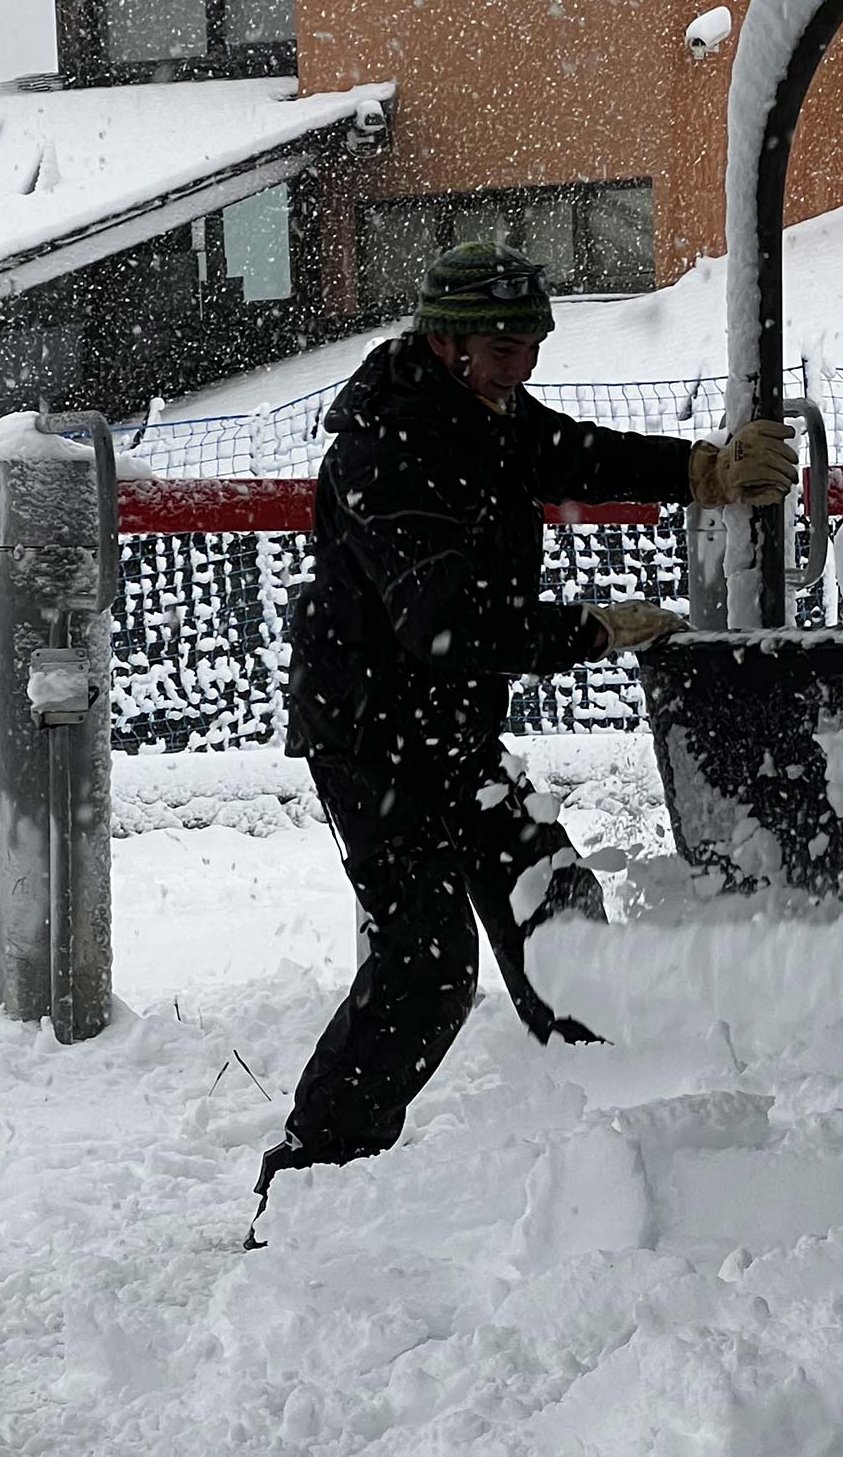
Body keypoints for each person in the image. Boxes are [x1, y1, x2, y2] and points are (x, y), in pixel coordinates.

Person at [249, 241, 797, 1240]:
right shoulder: (387, 445)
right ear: (447, 341)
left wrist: (703, 471)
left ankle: (610, 1150)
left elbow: (571, 453)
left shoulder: (482, 413)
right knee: (426, 968)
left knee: (564, 925)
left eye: (534, 345)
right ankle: (308, 1188)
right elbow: (441, 620)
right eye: (505, 349)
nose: (523, 369)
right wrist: (587, 629)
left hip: (456, 732)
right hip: (375, 743)